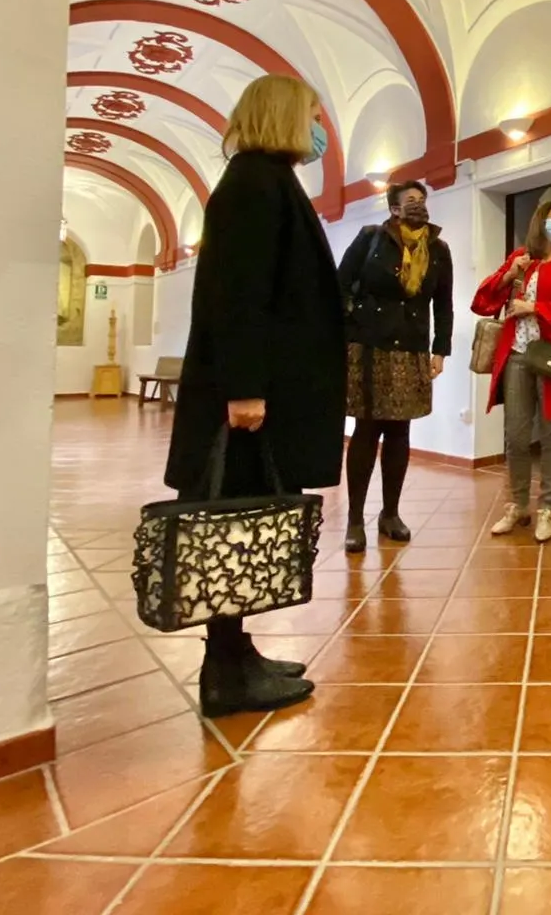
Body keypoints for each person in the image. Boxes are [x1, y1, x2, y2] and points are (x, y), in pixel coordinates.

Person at [163, 74, 347, 718]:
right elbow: (236, 296)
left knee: (243, 520)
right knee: (233, 525)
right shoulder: (251, 184)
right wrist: (244, 389)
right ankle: (224, 674)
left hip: (266, 392)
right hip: (246, 402)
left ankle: (238, 652)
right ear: (286, 116)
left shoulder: (267, 181)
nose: (322, 128)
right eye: (315, 115)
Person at [337, 181, 453, 553]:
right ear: (394, 209)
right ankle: (356, 519)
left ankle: (390, 513)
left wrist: (441, 349)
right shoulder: (371, 238)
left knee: (400, 432)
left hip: (412, 348)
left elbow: (444, 303)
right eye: (412, 201)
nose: (419, 207)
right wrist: (349, 326)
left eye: (423, 201)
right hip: (370, 346)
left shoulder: (438, 249)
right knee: (367, 429)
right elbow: (339, 285)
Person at [472, 200, 551, 544]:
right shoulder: (522, 258)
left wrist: (534, 308)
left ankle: (547, 508)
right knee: (517, 437)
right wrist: (509, 274)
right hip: (518, 356)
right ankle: (517, 505)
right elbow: (482, 301)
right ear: (541, 221)